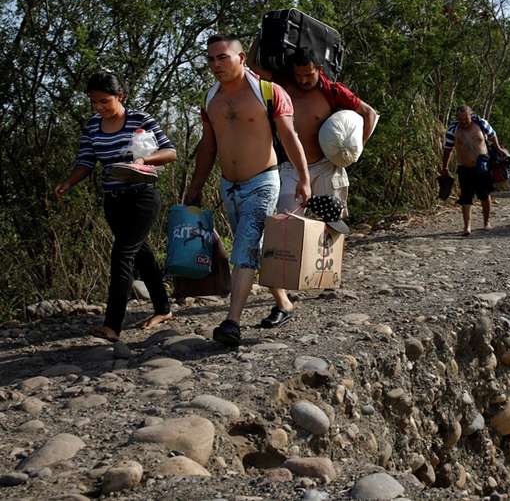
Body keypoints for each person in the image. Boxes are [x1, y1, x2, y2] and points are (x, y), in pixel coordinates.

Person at [183, 34, 311, 347]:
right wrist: (195, 188)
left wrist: (305, 179)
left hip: (263, 181)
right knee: (252, 249)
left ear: (241, 58)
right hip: (229, 185)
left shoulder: (269, 92)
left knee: (245, 246)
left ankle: (232, 323)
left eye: (222, 57)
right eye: (211, 59)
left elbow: (290, 137)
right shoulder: (211, 98)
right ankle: (284, 303)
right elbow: (208, 146)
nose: (216, 64)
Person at [258, 48, 378, 328]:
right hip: (289, 168)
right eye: (299, 75)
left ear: (319, 70)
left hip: (326, 166)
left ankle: (327, 276)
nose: (303, 80)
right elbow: (254, 67)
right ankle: (285, 293)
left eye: (308, 75)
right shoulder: (281, 87)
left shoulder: (333, 91)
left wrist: (354, 151)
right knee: (284, 226)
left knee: (331, 223)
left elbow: (370, 114)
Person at [54, 71, 177, 341]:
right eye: (93, 102)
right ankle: (163, 308)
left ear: (120, 96)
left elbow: (170, 151)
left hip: (142, 196)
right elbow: (86, 161)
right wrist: (68, 183)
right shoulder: (93, 125)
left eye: (104, 101)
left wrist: (145, 161)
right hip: (113, 200)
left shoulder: (139, 119)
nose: (99, 107)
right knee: (141, 252)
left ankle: (112, 325)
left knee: (122, 254)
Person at [441, 106, 508, 236]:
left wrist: (499, 148)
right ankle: (467, 227)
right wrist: (444, 167)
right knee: (465, 197)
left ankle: (486, 222)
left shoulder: (482, 124)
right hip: (464, 167)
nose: (463, 122)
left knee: (484, 194)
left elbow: (492, 135)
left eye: (465, 118)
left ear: (471, 115)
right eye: (460, 119)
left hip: (482, 166)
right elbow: (447, 149)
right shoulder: (453, 129)